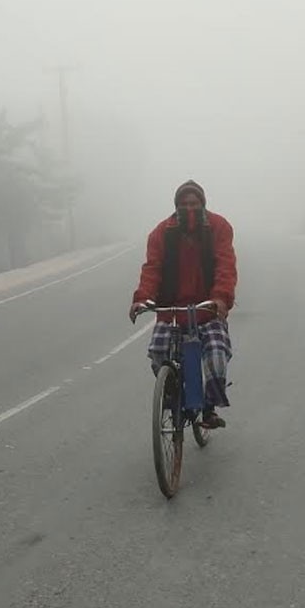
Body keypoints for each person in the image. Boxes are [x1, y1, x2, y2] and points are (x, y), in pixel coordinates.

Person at [128, 180, 237, 429]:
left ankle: (209, 408)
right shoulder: (161, 233)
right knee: (157, 353)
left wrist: (221, 297)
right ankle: (172, 393)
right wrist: (141, 298)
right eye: (184, 204)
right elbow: (152, 269)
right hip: (172, 311)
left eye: (194, 203)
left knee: (217, 357)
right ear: (176, 206)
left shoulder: (219, 227)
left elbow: (225, 265)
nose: (189, 208)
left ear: (203, 204)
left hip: (207, 309)